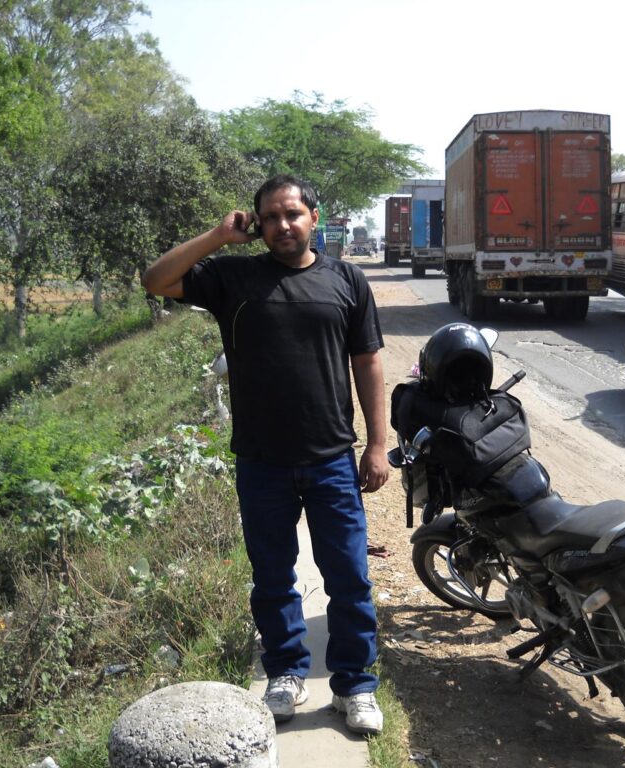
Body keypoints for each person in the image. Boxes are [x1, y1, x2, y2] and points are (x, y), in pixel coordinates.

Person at [141, 174, 389, 735]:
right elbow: (156, 281)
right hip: (261, 461)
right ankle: (285, 673)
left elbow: (368, 362)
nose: (283, 225)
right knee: (273, 576)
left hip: (330, 458)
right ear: (257, 224)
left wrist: (377, 443)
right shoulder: (233, 277)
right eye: (271, 217)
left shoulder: (346, 279)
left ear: (314, 219)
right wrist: (216, 236)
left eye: (293, 214)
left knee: (349, 576)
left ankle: (356, 684)